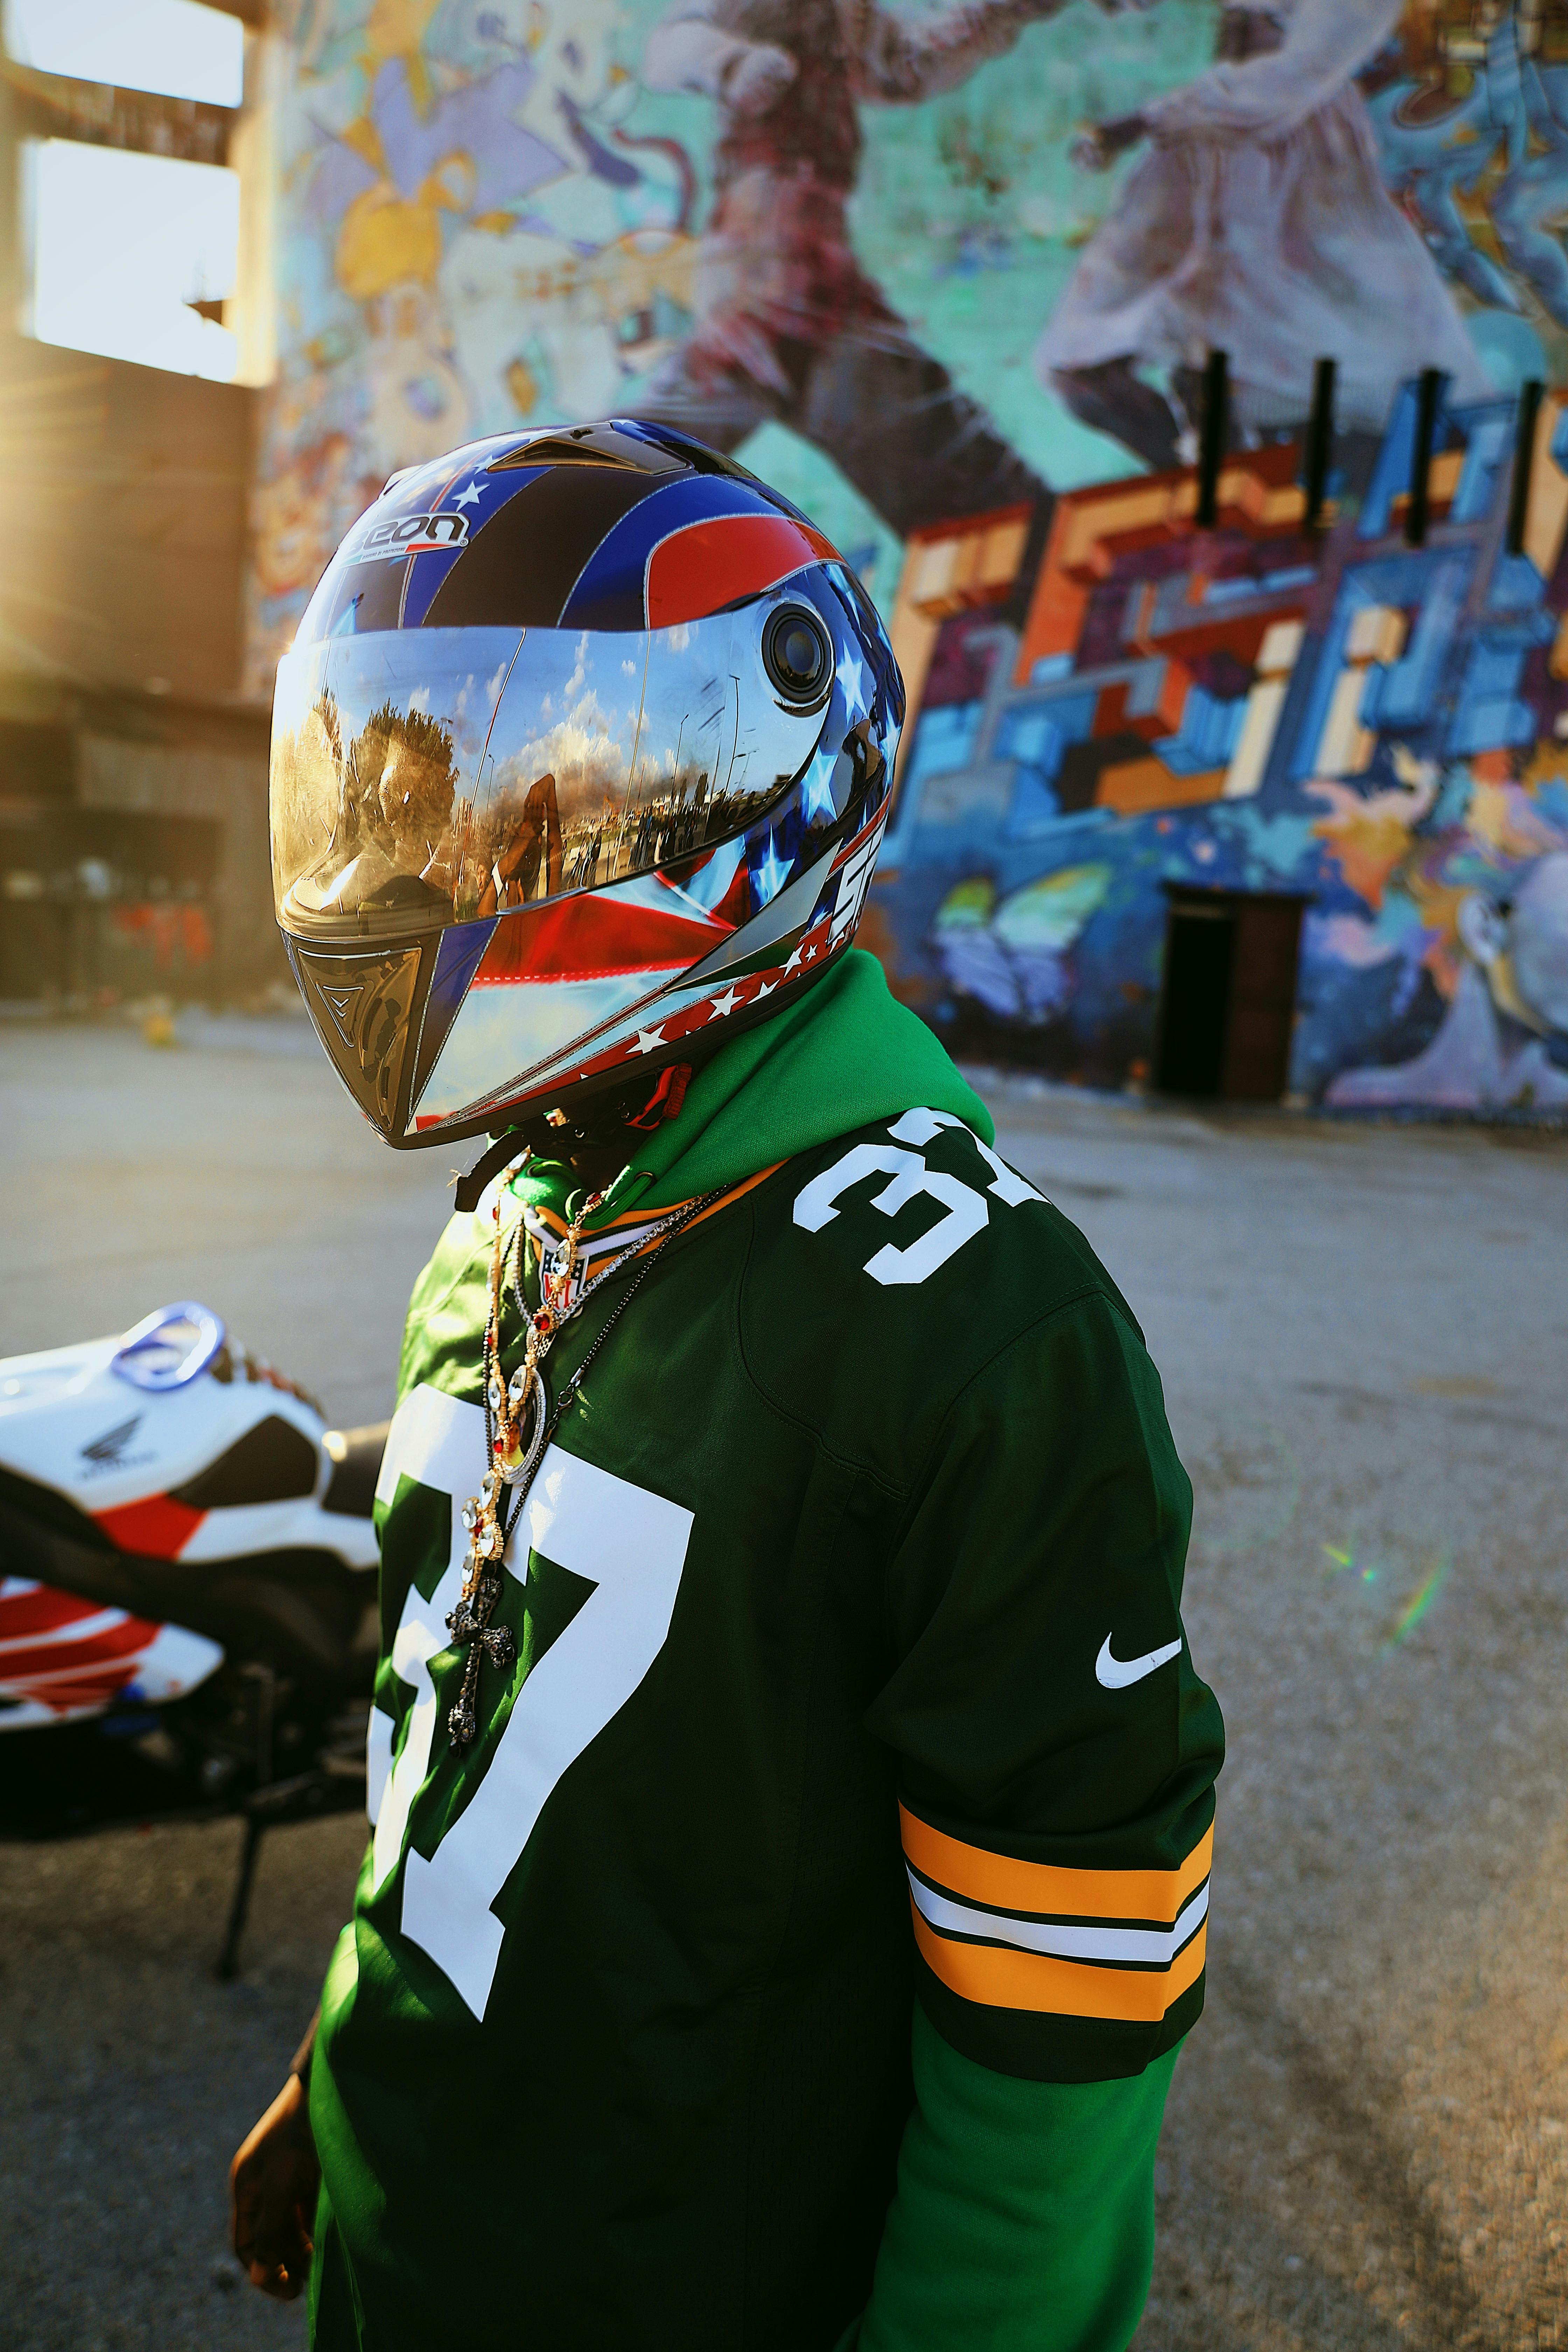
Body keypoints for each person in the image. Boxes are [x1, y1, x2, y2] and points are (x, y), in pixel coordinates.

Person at [233, 416, 1223, 2349]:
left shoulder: (975, 1327)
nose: (405, 854)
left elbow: (1060, 2011)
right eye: (392, 779)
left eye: (492, 791)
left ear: (730, 786)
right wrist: (343, 2064)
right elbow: (450, 1754)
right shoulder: (521, 1212)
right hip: (413, 2241)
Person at [637, 0, 1081, 537]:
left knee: (960, 480)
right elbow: (670, 47)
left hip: (811, 278)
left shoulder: (846, 13)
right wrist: (728, 64)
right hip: (770, 265)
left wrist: (1001, 13)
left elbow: (904, 70)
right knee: (658, 457)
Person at [1041, 0, 1493, 472]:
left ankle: (1243, 475)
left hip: (1290, 156)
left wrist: (1143, 122)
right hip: (1199, 156)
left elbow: (1294, 76)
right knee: (1080, 363)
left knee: (1350, 334)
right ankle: (1201, 470)